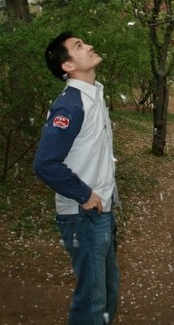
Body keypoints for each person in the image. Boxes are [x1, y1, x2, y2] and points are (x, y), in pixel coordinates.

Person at [34, 32, 120, 325]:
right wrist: (85, 195)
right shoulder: (70, 104)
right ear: (67, 66)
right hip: (84, 215)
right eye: (79, 47)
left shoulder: (94, 94)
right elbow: (45, 164)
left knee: (107, 294)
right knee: (92, 303)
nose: (89, 46)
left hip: (101, 211)